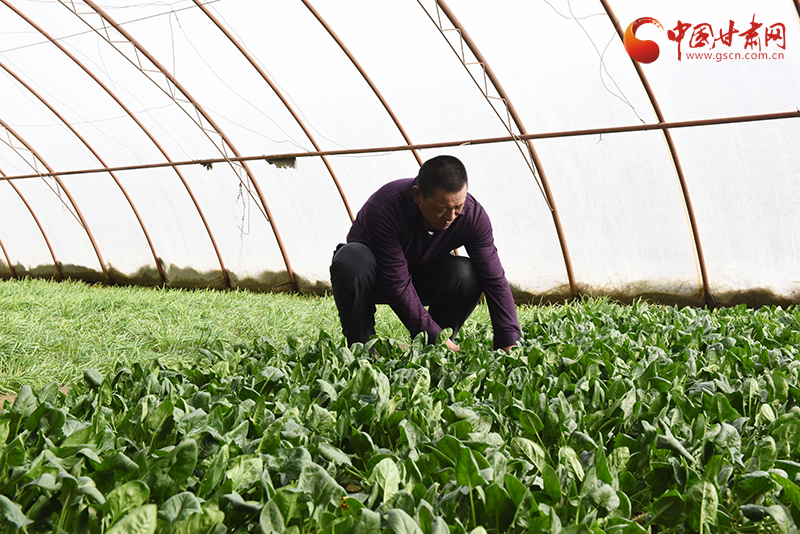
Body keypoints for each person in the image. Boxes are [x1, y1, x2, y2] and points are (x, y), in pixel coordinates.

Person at [329, 155, 521, 352]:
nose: (451, 217)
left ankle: (431, 350)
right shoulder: (384, 208)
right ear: (417, 195)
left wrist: (509, 339)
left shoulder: (473, 216)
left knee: (467, 273)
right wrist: (434, 335)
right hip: (373, 279)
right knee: (351, 258)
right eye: (443, 209)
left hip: (421, 277)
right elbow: (397, 282)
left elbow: (494, 278)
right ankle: (363, 347)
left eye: (458, 207)